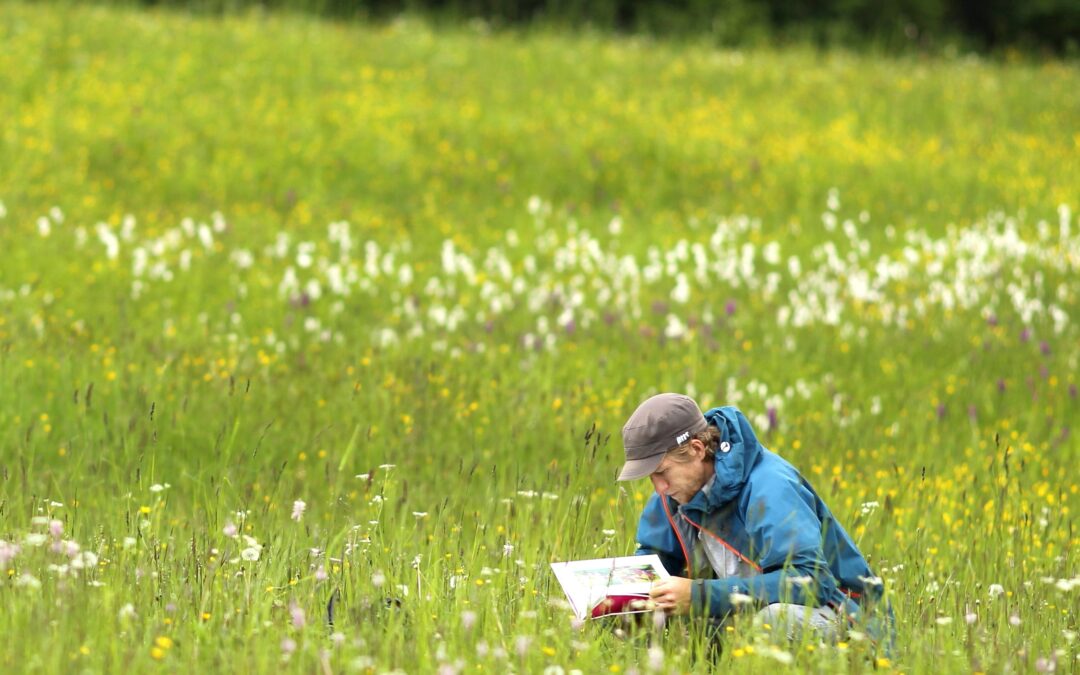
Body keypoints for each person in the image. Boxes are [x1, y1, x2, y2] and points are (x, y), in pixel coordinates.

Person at [616, 392, 892, 644]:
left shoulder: (771, 487)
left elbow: (810, 581)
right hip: (745, 616)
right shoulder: (675, 494)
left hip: (847, 619)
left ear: (698, 450)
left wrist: (699, 596)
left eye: (662, 472)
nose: (659, 488)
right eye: (651, 477)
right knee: (628, 618)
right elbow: (654, 560)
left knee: (774, 621)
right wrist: (615, 597)